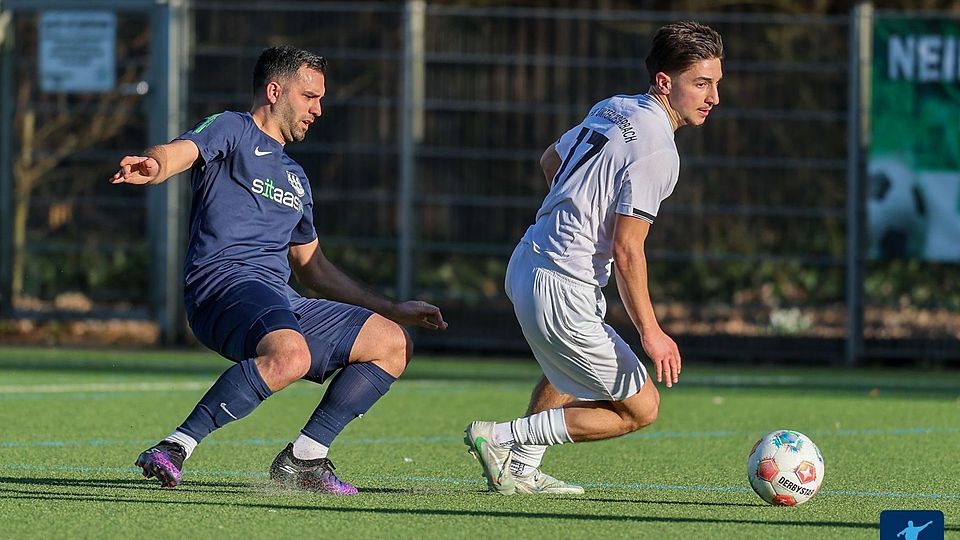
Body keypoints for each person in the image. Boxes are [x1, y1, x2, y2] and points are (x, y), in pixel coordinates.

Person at [111, 45, 447, 495]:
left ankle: (305, 460)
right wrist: (155, 164)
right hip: (223, 285)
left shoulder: (297, 179)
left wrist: (392, 308)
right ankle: (174, 446)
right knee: (292, 355)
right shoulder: (233, 128)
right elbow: (182, 150)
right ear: (275, 91)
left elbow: (314, 268)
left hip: (278, 297)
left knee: (391, 343)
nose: (318, 109)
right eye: (310, 97)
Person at [464, 21, 723, 495]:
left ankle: (518, 468)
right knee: (641, 408)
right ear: (665, 82)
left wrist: (575, 217)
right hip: (563, 282)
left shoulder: (616, 106)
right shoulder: (659, 152)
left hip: (528, 261)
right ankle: (501, 438)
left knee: (563, 370)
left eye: (716, 84)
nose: (713, 98)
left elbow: (550, 160)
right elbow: (627, 249)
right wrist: (653, 333)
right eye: (701, 83)